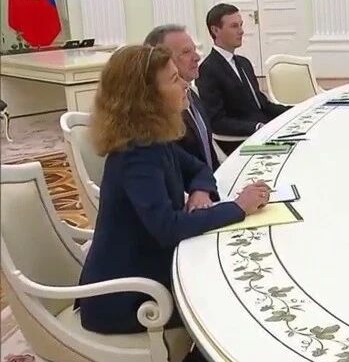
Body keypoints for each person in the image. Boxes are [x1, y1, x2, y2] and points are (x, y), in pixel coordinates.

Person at [77, 45, 270, 360]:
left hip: (149, 269)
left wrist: (201, 192)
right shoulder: (136, 154)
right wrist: (237, 207)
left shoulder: (154, 140)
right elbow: (167, 227)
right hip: (126, 296)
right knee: (233, 306)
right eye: (174, 80)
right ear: (146, 97)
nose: (185, 85)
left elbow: (198, 169)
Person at [197, 3, 290, 155]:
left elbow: (262, 105)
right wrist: (257, 127)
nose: (241, 31)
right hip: (242, 142)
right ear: (215, 30)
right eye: (234, 26)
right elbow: (217, 121)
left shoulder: (244, 63)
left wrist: (295, 110)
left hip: (263, 133)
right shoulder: (208, 69)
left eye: (241, 25)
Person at [144, 24, 219, 170]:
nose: (197, 57)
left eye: (194, 50)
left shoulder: (192, 95)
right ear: (159, 60)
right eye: (186, 52)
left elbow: (208, 155)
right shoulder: (158, 114)